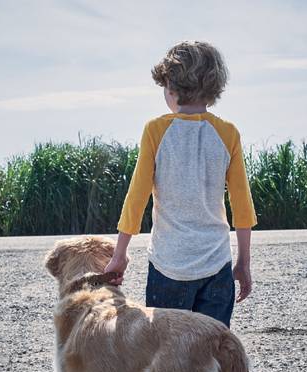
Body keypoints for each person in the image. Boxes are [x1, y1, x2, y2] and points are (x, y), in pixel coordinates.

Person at [103, 40, 257, 328]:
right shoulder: (228, 134)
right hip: (216, 265)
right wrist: (243, 263)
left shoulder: (155, 131)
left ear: (171, 86)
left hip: (168, 266)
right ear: (213, 86)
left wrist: (119, 255)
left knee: (166, 360)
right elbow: (242, 206)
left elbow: (136, 200)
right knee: (210, 356)